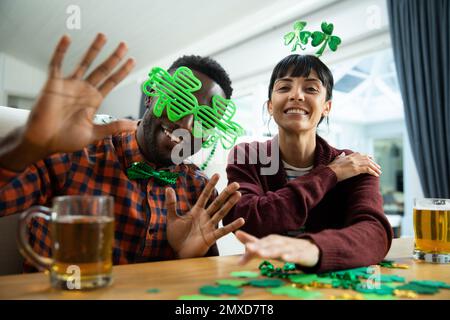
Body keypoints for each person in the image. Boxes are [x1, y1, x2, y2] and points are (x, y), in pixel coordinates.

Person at [0, 33, 244, 271]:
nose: (187, 125)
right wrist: (27, 145)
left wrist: (186, 260)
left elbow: (201, 291)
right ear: (151, 97)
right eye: (180, 102)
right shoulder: (76, 154)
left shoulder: (199, 189)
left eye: (205, 119)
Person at [224, 54, 393, 273]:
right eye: (284, 88)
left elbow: (374, 233)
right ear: (270, 106)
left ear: (327, 107)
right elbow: (246, 219)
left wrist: (312, 249)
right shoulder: (247, 155)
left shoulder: (354, 165)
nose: (296, 95)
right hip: (263, 282)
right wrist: (329, 174)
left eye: (311, 89)